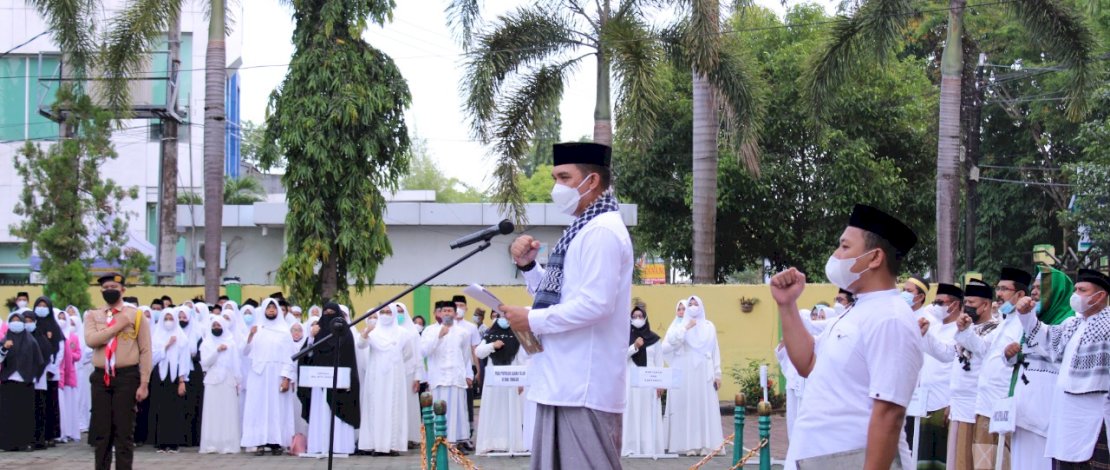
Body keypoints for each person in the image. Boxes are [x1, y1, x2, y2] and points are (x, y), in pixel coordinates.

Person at [500, 142, 633, 469]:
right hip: (561, 381)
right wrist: (531, 268)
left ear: (592, 182)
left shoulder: (602, 231)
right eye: (555, 177)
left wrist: (532, 319)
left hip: (585, 386)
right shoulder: (582, 228)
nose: (556, 187)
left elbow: (595, 305)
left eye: (564, 177)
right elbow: (565, 293)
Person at [774, 204, 922, 470]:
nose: (835, 254)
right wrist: (787, 305)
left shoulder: (891, 318)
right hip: (819, 460)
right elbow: (807, 364)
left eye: (844, 247)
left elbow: (889, 413)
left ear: (875, 258)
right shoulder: (856, 311)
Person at [1014, 269, 1109, 469]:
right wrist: (1027, 315)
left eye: (1082, 290)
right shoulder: (1073, 324)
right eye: (1075, 289)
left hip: (1094, 418)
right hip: (1066, 418)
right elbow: (1045, 338)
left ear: (1099, 296)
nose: (1076, 295)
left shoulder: (1107, 327)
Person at [959, 267, 1031, 470]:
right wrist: (965, 331)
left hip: (1004, 404)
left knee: (1001, 462)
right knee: (984, 461)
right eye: (998, 288)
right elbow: (982, 349)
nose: (998, 294)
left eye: (1004, 289)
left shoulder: (1026, 324)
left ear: (1020, 295)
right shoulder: (1004, 324)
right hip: (986, 404)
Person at [1007, 267, 1074, 469]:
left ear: (1057, 292)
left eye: (1040, 287)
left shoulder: (1069, 322)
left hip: (1046, 414)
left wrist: (1028, 319)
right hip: (1023, 410)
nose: (1034, 292)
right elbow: (1024, 358)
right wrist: (1010, 355)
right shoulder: (1034, 320)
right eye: (1033, 287)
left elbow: (1049, 345)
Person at [84, 273, 152, 470]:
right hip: (101, 377)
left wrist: (144, 382)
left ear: (122, 289)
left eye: (113, 286)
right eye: (105, 288)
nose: (109, 291)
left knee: (124, 432)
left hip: (127, 377)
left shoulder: (136, 315)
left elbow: (146, 350)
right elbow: (91, 341)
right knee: (102, 432)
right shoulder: (93, 315)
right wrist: (116, 328)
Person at [949, 281, 1001, 468]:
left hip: (977, 405)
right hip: (959, 404)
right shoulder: (966, 327)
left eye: (972, 302)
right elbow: (947, 354)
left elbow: (981, 349)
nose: (967, 307)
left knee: (975, 461)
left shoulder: (996, 329)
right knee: (958, 460)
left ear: (986, 305)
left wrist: (965, 330)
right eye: (966, 303)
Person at [663, 295, 723, 456]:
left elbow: (714, 350)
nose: (693, 306)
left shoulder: (710, 326)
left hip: (705, 370)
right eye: (691, 304)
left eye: (696, 304)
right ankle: (688, 445)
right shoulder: (681, 325)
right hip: (687, 370)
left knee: (704, 405)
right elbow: (671, 341)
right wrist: (686, 327)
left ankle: (706, 444)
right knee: (688, 406)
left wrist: (718, 373)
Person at [299, 302, 360, 457]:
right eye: (326, 312)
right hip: (319, 383)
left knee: (337, 414)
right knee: (320, 413)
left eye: (332, 312)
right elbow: (307, 355)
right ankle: (318, 445)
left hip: (339, 384)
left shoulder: (345, 332)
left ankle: (340, 447)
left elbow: (348, 357)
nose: (329, 315)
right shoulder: (316, 331)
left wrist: (347, 380)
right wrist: (311, 338)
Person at [914, 282, 963, 467]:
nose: (936, 305)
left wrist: (952, 401)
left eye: (940, 302)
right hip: (924, 401)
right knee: (923, 459)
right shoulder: (934, 327)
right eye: (935, 301)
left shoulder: (961, 331)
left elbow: (946, 355)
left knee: (943, 459)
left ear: (954, 305)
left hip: (945, 402)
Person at [357, 304, 416, 455]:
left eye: (389, 312)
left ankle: (392, 445)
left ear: (394, 314)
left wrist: (393, 361)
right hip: (376, 377)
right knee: (376, 408)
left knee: (393, 408)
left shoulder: (402, 333)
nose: (385, 315)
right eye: (382, 312)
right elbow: (360, 345)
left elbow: (408, 353)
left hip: (395, 376)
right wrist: (366, 332)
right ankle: (376, 446)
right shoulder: (373, 332)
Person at [240, 298, 295, 456]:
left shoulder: (284, 332)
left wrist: (286, 378)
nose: (271, 310)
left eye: (274, 308)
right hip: (259, 374)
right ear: (263, 310)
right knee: (258, 408)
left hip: (277, 374)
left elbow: (290, 356)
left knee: (276, 409)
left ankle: (276, 442)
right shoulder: (257, 330)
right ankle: (258, 442)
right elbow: (244, 351)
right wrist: (250, 335)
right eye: (268, 308)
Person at [421, 301, 474, 453]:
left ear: (455, 314)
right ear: (439, 313)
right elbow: (423, 352)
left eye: (449, 311)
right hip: (438, 377)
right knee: (438, 410)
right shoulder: (430, 331)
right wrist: (439, 336)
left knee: (456, 410)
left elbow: (465, 356)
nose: (446, 313)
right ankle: (438, 442)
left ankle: (454, 443)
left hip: (456, 377)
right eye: (444, 311)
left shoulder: (463, 332)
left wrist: (466, 374)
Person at [474, 309, 530, 454]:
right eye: (500, 318)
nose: (503, 321)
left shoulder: (517, 336)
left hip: (511, 380)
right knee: (493, 410)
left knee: (510, 411)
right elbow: (479, 352)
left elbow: (521, 360)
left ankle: (510, 444)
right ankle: (491, 443)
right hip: (493, 381)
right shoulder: (490, 335)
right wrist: (492, 346)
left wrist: (521, 382)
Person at [621, 305, 665, 457]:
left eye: (641, 316)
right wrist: (634, 346)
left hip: (650, 381)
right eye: (635, 316)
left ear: (645, 318)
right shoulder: (624, 337)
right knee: (631, 410)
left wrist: (661, 383)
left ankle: (649, 447)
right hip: (630, 379)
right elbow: (619, 358)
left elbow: (659, 362)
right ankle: (630, 446)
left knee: (647, 411)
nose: (638, 319)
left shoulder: (654, 339)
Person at [1, 311, 46, 452]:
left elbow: (39, 361)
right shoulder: (4, 340)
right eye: (13, 320)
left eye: (18, 320)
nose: (16, 323)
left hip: (26, 382)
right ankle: (8, 443)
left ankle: (25, 442)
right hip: (8, 381)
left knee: (25, 414)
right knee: (8, 413)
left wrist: (32, 376)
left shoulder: (31, 341)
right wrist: (4, 349)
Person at [148, 309, 191, 453]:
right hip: (159, 376)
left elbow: (184, 360)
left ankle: (173, 442)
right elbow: (153, 358)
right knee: (159, 408)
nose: (168, 321)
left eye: (171, 318)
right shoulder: (156, 337)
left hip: (174, 379)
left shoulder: (182, 337)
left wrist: (182, 381)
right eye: (165, 318)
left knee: (174, 410)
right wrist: (166, 345)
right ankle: (160, 442)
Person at [198, 316, 242, 454]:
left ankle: (228, 444)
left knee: (227, 412)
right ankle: (211, 443)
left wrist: (237, 381)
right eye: (214, 326)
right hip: (212, 380)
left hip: (228, 381)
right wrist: (216, 351)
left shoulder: (231, 343)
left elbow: (236, 364)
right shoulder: (206, 343)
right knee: (212, 412)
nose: (216, 328)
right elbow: (205, 363)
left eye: (219, 325)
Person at [31, 295, 64, 448]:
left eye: (45, 305)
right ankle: (39, 435)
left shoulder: (54, 327)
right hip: (36, 371)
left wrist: (53, 367)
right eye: (39, 305)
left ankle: (52, 435)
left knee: (51, 404)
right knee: (39, 404)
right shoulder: (32, 325)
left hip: (51, 371)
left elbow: (60, 349)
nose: (42, 308)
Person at [178, 306, 205, 447]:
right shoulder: (174, 333)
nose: (182, 320)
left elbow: (200, 354)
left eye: (185, 318)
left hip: (194, 372)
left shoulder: (197, 333)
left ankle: (193, 438)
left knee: (193, 405)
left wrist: (189, 355)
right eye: (180, 318)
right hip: (177, 373)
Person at [55, 308, 83, 443]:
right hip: (59, 375)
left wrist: (70, 355)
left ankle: (70, 431)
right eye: (59, 318)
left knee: (70, 404)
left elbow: (78, 354)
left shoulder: (73, 337)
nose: (61, 321)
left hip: (69, 374)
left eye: (63, 318)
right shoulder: (55, 336)